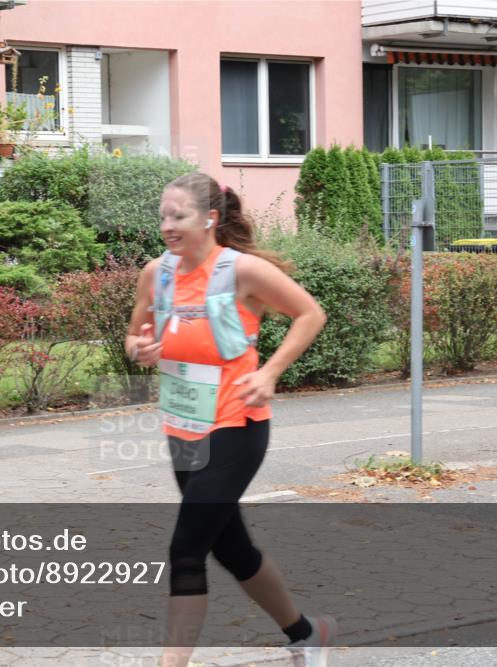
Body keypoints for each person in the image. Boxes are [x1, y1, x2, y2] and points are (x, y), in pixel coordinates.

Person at [124, 172, 336, 667]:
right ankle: (308, 634)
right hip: (183, 427)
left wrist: (270, 372)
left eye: (178, 216)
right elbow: (135, 335)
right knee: (231, 547)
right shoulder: (157, 274)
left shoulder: (241, 271)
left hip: (237, 426)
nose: (167, 226)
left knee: (186, 550)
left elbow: (310, 314)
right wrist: (138, 348)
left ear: (210, 218)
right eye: (163, 216)